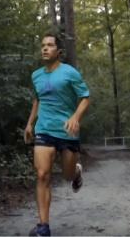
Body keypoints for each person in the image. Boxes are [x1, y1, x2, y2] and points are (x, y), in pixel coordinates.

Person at [24, 31, 90, 236]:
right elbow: (38, 99)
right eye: (43, 45)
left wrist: (75, 118)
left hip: (67, 132)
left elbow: (85, 97)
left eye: (50, 45)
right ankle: (43, 226)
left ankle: (76, 172)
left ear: (59, 51)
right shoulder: (36, 75)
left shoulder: (70, 73)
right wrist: (30, 124)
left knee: (67, 175)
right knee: (42, 174)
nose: (45, 48)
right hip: (44, 129)